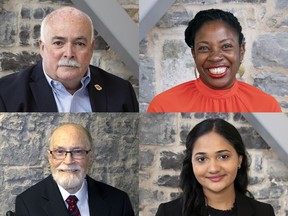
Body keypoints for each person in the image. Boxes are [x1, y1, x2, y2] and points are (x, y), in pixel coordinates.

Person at [0, 6, 138, 112]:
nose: (69, 53)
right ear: (42, 47)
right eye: (58, 43)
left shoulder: (122, 91)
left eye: (79, 44)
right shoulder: (6, 94)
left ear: (91, 48)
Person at [147, 9, 281, 112]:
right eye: (204, 48)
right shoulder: (163, 105)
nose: (215, 57)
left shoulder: (267, 105)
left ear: (241, 50)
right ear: (194, 54)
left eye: (226, 46)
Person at [156, 118, 275, 216]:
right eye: (202, 159)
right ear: (191, 163)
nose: (213, 169)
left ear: (239, 160)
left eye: (223, 157)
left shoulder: (264, 212)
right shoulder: (168, 212)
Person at [15, 123, 135, 216]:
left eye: (77, 152)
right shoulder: (27, 203)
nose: (68, 161)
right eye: (60, 152)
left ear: (91, 156)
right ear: (50, 157)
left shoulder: (119, 202)